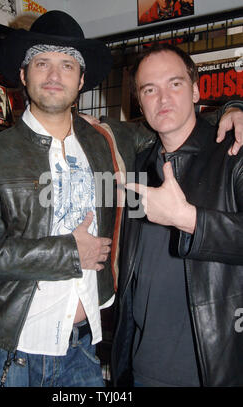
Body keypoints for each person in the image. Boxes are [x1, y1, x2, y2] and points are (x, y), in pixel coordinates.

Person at [0, 10, 243, 387]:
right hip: (11, 352)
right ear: (23, 74)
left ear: (82, 80)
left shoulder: (110, 141)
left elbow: (176, 121)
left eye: (67, 65)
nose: (55, 75)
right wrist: (69, 253)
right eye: (42, 62)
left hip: (82, 351)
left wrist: (234, 107)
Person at [112, 43, 243, 387]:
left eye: (175, 84)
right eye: (149, 89)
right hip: (144, 367)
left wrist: (190, 220)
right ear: (140, 103)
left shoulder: (235, 153)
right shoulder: (138, 169)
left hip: (215, 368)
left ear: (197, 90)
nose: (163, 98)